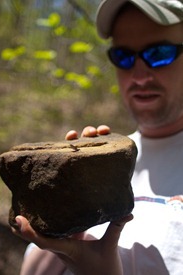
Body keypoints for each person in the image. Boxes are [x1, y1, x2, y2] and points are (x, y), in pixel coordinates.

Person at [12, 0, 183, 274]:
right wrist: (60, 235)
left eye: (159, 53)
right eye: (124, 57)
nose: (139, 75)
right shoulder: (106, 160)